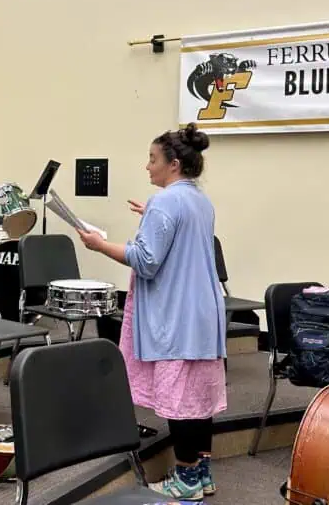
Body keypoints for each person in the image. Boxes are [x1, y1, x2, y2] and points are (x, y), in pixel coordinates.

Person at [76, 123, 226, 500]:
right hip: (203, 313)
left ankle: (187, 480)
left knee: (180, 402)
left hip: (177, 316)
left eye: (153, 159)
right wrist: (152, 214)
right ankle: (202, 473)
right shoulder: (198, 200)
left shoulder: (166, 202)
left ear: (173, 164)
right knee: (197, 401)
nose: (147, 167)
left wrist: (99, 246)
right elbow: (179, 235)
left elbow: (145, 260)